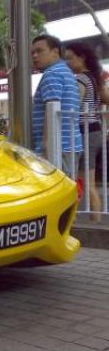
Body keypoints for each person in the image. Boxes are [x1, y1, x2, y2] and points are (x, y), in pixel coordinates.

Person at [65, 41, 109, 222]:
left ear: (81, 58)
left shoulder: (81, 79)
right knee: (87, 181)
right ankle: (95, 220)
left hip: (85, 133)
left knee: (84, 182)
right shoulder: (95, 78)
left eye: (70, 58)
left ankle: (94, 222)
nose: (67, 63)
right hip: (96, 130)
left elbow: (73, 106)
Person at [31, 34, 82, 177]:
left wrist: (46, 147)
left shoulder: (52, 74)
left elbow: (52, 109)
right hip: (70, 144)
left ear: (55, 52)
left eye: (40, 51)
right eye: (32, 52)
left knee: (57, 194)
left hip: (57, 147)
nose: (35, 56)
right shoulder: (66, 72)